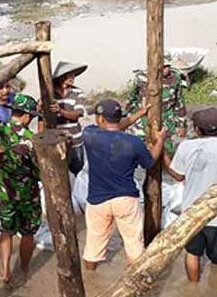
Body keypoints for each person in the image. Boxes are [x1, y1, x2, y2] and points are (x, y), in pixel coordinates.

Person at [82, 99, 166, 271]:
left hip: (98, 200)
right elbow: (150, 162)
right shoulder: (133, 142)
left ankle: (90, 281)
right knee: (134, 245)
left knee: (93, 247)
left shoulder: (89, 135)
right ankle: (136, 287)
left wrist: (138, 114)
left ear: (101, 119)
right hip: (126, 199)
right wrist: (160, 141)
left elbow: (114, 128)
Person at [0, 94, 41, 282]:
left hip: (4, 191)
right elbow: (39, 171)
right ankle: (24, 269)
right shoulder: (32, 139)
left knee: (6, 230)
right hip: (28, 194)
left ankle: (5, 271)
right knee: (28, 233)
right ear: (26, 116)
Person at [164, 107, 217, 282]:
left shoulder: (186, 146)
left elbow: (178, 175)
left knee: (193, 253)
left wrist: (162, 154)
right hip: (215, 214)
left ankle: (192, 288)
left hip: (191, 212)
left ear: (197, 129)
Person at [126, 58, 187, 157]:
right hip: (144, 118)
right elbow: (132, 98)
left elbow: (179, 102)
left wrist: (182, 124)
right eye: (163, 67)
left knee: (165, 149)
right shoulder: (141, 78)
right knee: (138, 150)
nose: (166, 69)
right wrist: (125, 119)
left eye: (168, 66)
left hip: (166, 118)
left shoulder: (175, 79)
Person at [50, 61, 88, 175]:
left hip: (75, 140)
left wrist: (60, 111)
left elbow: (77, 114)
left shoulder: (77, 92)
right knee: (59, 175)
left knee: (78, 173)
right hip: (56, 141)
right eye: (70, 75)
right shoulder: (49, 92)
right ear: (61, 77)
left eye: (73, 75)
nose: (73, 78)